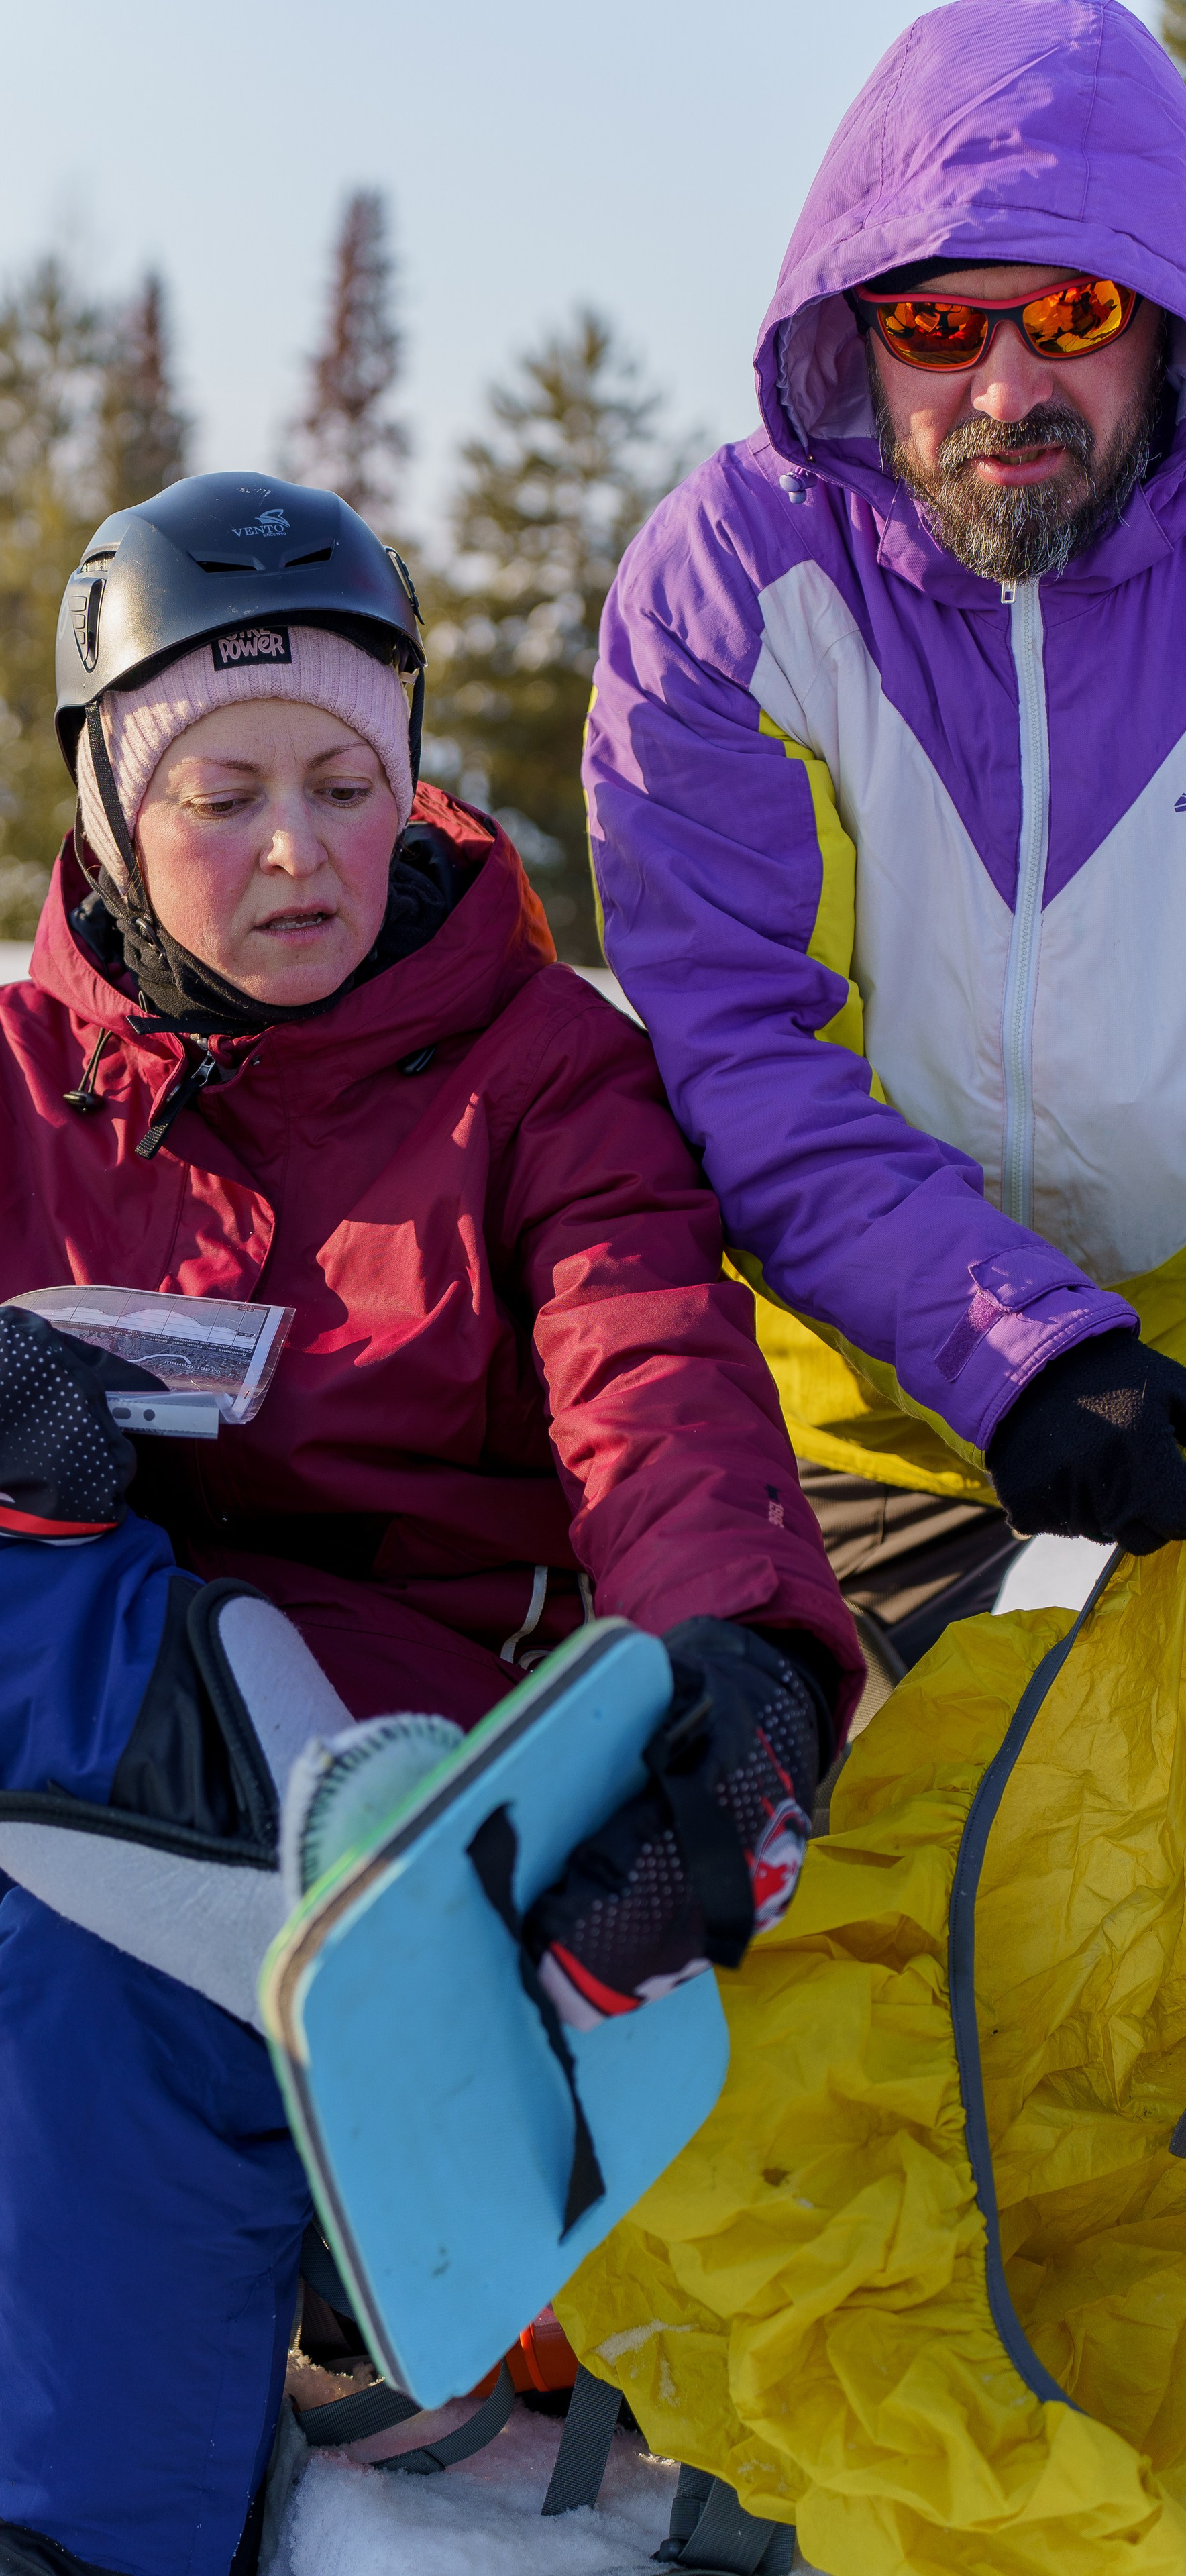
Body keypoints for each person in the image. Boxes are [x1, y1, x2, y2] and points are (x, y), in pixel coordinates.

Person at [0, 472, 859, 2576]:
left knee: (96, 1980)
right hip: (47, 1734)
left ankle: (79, 2545)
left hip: (387, 1752)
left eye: (346, 781)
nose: (299, 850)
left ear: (411, 779)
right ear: (108, 809)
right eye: (223, 790)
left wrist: (747, 1669)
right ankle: (242, 1814)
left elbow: (656, 1380)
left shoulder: (542, 1079)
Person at [585, 0, 1186, 1668]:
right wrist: (1024, 1350)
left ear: (1161, 314)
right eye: (934, 321)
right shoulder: (733, 586)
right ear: (857, 335)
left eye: (1070, 309)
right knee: (872, 1881)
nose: (1004, 383)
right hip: (859, 1424)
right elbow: (744, 1055)